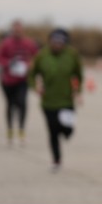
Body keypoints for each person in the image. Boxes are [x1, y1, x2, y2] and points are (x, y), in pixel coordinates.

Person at [28, 28, 83, 172]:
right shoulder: (42, 55)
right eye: (54, 42)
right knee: (53, 132)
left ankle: (65, 132)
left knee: (67, 130)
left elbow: (79, 75)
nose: (57, 45)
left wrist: (78, 91)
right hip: (49, 101)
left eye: (60, 42)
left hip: (66, 100)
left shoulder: (72, 55)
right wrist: (36, 87)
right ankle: (56, 160)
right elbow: (31, 75)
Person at [0, 20, 39, 146]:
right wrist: (8, 63)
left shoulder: (29, 43)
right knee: (10, 105)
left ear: (23, 30)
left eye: (19, 30)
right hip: (7, 80)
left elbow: (37, 57)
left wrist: (31, 64)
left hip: (23, 80)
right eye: (15, 30)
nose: (17, 32)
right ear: (12, 30)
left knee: (22, 103)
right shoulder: (5, 43)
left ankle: (21, 130)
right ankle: (10, 130)